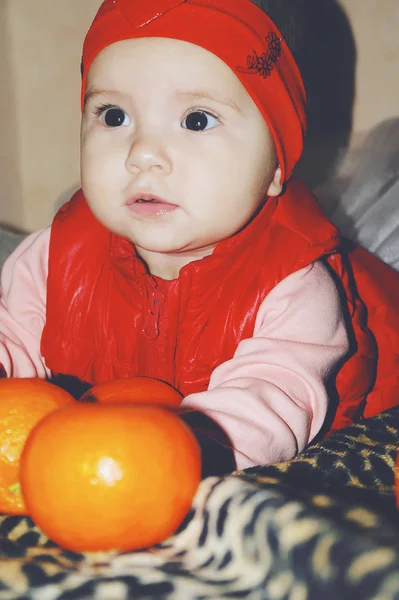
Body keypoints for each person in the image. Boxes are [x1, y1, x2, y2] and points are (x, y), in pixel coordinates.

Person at [0, 0, 398, 477]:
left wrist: (172, 455)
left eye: (196, 120)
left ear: (275, 165)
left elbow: (265, 408)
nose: (143, 153)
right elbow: (14, 339)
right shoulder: (56, 254)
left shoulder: (297, 288)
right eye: (112, 116)